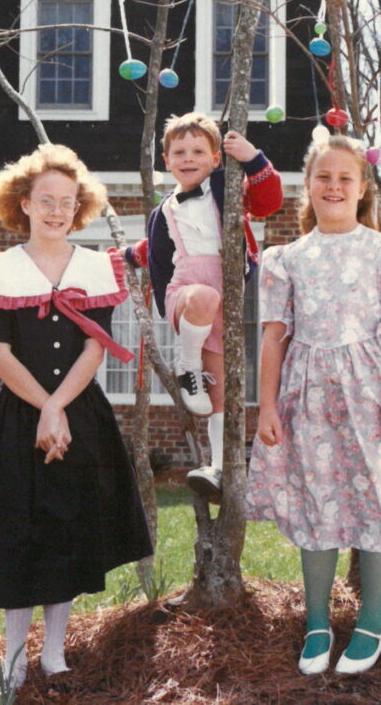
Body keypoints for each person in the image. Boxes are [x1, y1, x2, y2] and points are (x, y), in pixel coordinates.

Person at [248, 134, 381, 675]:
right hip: (309, 396)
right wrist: (266, 406)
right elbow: (273, 337)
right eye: (324, 177)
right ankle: (316, 620)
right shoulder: (286, 259)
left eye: (346, 178)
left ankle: (371, 620)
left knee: (378, 506)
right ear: (309, 186)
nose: (334, 186)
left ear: (362, 188)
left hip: (375, 394)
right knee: (316, 506)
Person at [0, 144, 153, 689]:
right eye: (46, 200)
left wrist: (62, 407)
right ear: (23, 203)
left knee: (67, 529)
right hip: (21, 416)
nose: (57, 211)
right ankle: (12, 654)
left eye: (68, 202)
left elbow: (94, 350)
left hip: (81, 413)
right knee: (20, 528)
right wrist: (45, 408)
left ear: (80, 208)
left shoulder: (96, 268)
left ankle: (54, 650)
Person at [123, 112, 283, 500]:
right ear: (167, 160)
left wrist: (253, 159)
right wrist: (126, 254)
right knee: (203, 297)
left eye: (198, 150)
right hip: (187, 292)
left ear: (215, 159)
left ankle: (218, 466)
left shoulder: (225, 190)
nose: (188, 157)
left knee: (220, 392)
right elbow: (157, 249)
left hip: (224, 300)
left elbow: (268, 202)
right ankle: (186, 363)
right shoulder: (165, 209)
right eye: (180, 151)